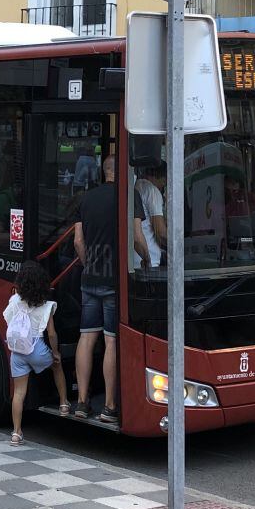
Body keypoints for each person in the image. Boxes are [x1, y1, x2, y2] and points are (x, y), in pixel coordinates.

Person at [73, 155, 149, 424]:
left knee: (86, 337)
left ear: (103, 172)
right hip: (113, 282)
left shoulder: (86, 199)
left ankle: (81, 402)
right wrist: (148, 259)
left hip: (89, 279)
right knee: (111, 340)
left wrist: (87, 264)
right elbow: (137, 238)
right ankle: (109, 406)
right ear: (122, 172)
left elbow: (78, 241)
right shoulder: (129, 197)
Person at [5, 261, 69, 446]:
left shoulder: (15, 300)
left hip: (18, 351)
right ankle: (64, 404)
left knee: (19, 392)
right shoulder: (46, 305)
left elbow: (9, 320)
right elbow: (51, 333)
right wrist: (55, 352)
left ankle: (16, 433)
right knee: (57, 366)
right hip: (36, 349)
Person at [134, 162, 167, 268]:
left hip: (133, 258)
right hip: (148, 261)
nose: (163, 186)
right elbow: (161, 232)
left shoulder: (136, 186)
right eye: (164, 182)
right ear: (162, 178)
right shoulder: (152, 191)